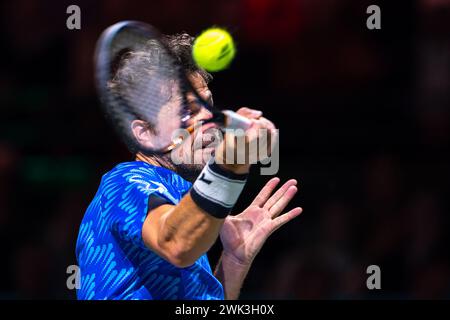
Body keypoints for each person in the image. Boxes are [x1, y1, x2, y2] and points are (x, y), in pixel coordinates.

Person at [75, 33, 302, 300]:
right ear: (145, 133)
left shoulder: (180, 203)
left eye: (208, 105)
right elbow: (177, 244)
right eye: (189, 111)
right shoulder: (126, 182)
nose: (211, 118)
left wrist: (233, 262)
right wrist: (229, 165)